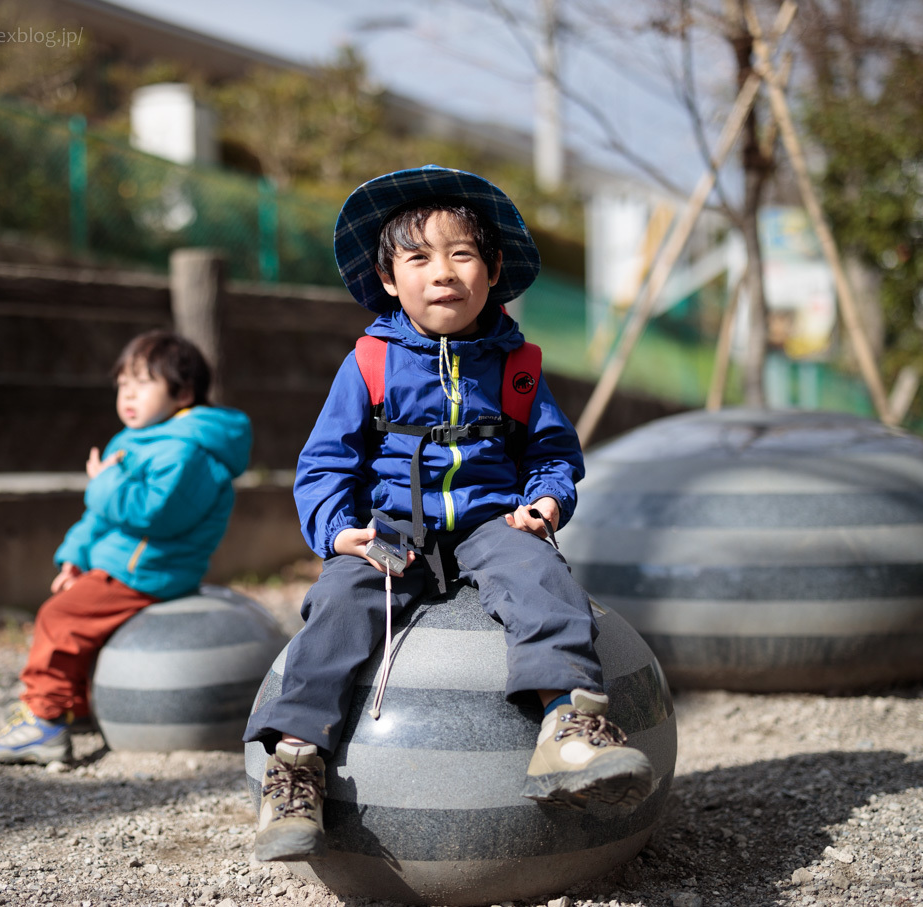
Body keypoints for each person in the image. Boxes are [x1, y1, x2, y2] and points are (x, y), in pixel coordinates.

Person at [243, 166, 653, 861]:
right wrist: (339, 530)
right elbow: (323, 466)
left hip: (495, 519)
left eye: (462, 254)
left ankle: (569, 727)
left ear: (493, 271)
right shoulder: (370, 363)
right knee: (339, 600)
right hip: (393, 525)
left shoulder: (518, 365)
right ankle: (296, 766)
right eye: (419, 257)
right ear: (390, 280)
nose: (444, 273)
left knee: (543, 578)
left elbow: (553, 451)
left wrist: (547, 501)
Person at [0, 330, 252, 765]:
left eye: (143, 383)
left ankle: (44, 718)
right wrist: (75, 557)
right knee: (72, 610)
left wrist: (104, 482)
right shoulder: (134, 442)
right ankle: (77, 707)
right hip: (121, 562)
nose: (128, 394)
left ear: (181, 392)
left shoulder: (188, 452)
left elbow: (153, 515)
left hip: (150, 569)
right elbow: (100, 517)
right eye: (122, 383)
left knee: (59, 619)